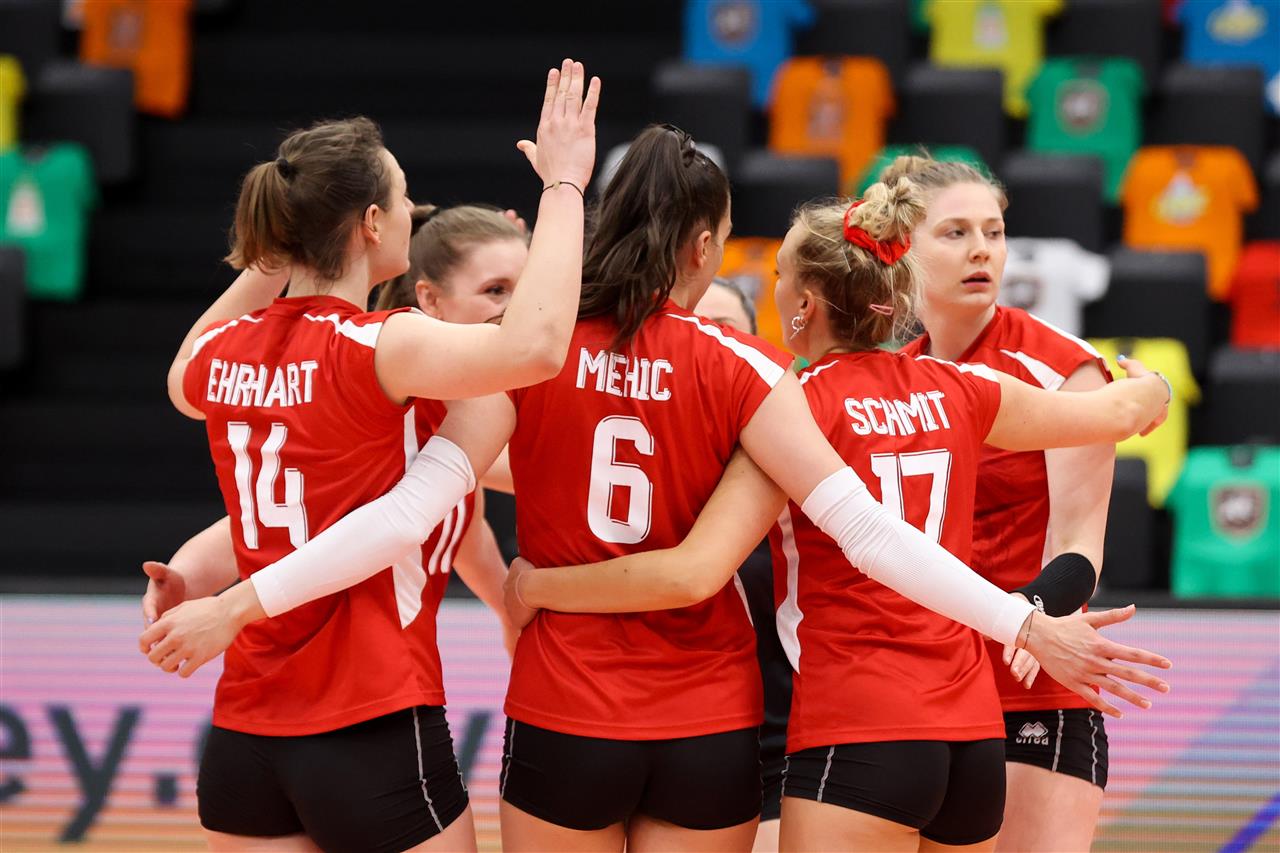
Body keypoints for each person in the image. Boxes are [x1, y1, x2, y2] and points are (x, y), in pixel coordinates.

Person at [142, 125, 1167, 853]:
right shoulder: (754, 371)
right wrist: (1026, 616)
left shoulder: (521, 371)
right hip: (723, 721)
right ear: (705, 248)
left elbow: (401, 500)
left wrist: (525, 588)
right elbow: (847, 532)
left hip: (562, 710)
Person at [497, 179, 1172, 852]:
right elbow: (1116, 412)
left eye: (779, 277)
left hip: (859, 722)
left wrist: (534, 583)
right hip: (971, 735)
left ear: (803, 305)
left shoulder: (793, 411)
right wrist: (1156, 388)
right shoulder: (968, 386)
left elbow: (687, 548)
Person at [139, 59, 600, 853]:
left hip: (246, 733)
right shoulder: (376, 346)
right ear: (373, 224)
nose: (416, 210)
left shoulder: (219, 355)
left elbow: (185, 375)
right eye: (403, 196)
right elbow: (536, 348)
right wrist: (564, 187)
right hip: (370, 716)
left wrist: (193, 571)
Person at [145, 203, 533, 657]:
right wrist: (192, 575)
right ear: (429, 300)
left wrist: (509, 610)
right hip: (345, 670)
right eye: (495, 291)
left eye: (525, 291)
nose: (517, 310)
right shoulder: (410, 403)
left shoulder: (459, 425)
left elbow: (469, 537)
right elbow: (267, 522)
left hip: (355, 669)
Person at [886, 155, 1132, 852]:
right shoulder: (894, 377)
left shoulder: (1064, 369)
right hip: (920, 683)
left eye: (993, 232)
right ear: (903, 247)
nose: (982, 250)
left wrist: (1025, 618)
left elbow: (1080, 545)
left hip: (1034, 677)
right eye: (955, 232)